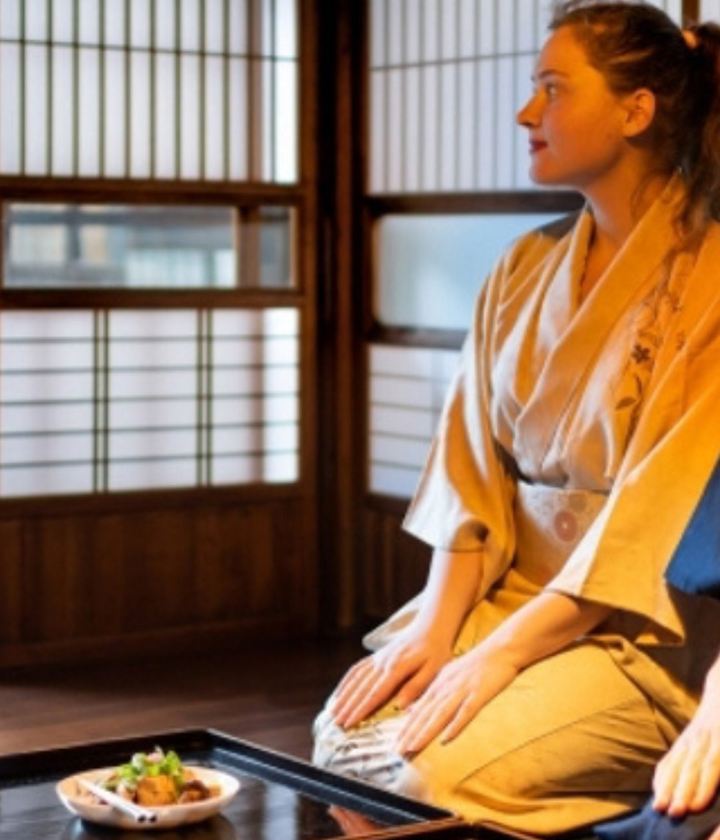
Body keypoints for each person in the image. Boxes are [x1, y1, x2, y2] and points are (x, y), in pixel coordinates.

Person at [313, 1, 720, 835]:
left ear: (636, 110)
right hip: (512, 596)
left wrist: (499, 658)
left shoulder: (711, 274)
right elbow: (470, 470)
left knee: (420, 774)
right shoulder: (523, 265)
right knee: (345, 745)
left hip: (639, 635)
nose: (526, 113)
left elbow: (650, 521)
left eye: (551, 89)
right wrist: (437, 627)